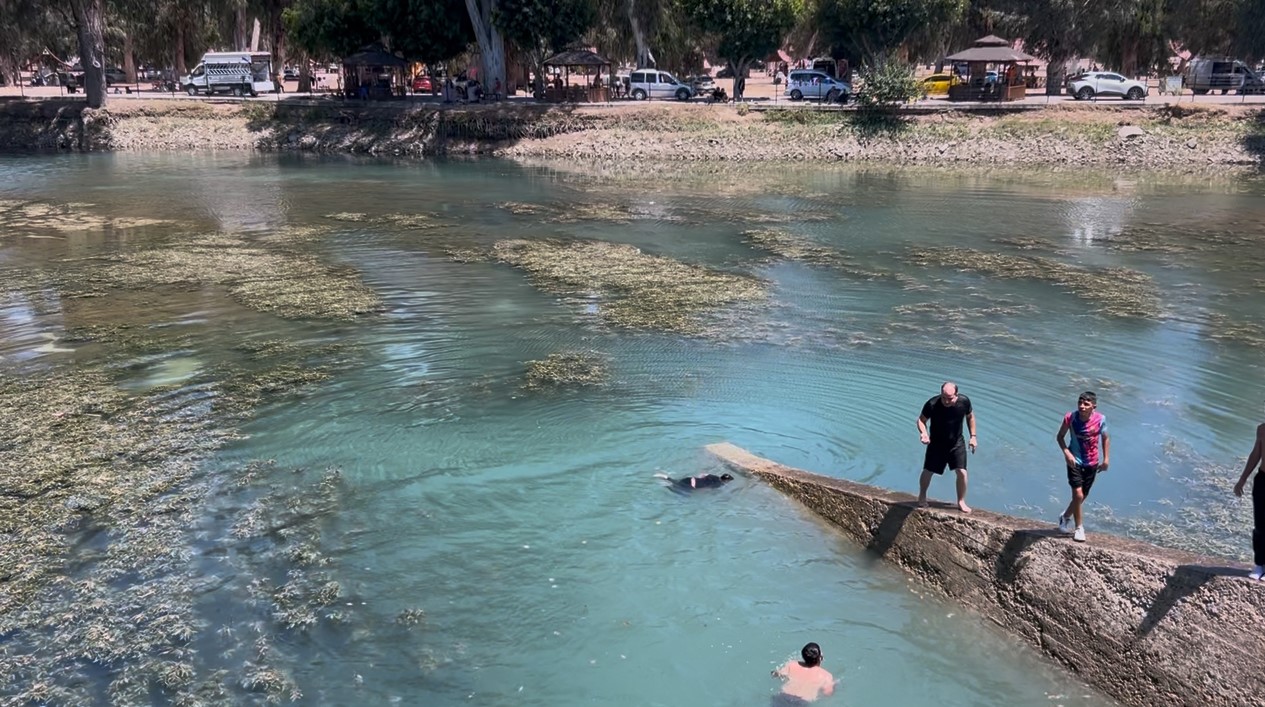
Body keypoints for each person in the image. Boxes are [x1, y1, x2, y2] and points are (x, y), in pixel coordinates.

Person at [1055, 391, 1110, 543]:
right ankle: (1079, 528)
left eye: (1086, 404)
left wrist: (1106, 460)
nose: (1082, 406)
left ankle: (1065, 516)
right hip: (1074, 461)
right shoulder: (1070, 418)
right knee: (1078, 496)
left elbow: (1105, 438)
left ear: (1094, 406)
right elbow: (1060, 437)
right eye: (1080, 403)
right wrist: (1067, 453)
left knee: (1082, 496)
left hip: (1092, 462)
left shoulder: (1100, 419)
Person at [917, 381, 977, 513]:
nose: (946, 401)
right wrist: (924, 433)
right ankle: (922, 496)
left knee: (961, 472)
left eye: (950, 398)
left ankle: (961, 501)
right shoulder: (932, 404)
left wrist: (973, 436)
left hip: (956, 442)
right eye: (944, 398)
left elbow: (970, 417)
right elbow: (921, 420)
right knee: (928, 471)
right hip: (937, 443)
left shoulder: (964, 402)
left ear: (956, 395)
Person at [1233, 416, 1265, 580]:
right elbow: (1255, 455)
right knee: (1260, 525)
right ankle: (1259, 564)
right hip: (1262, 480)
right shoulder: (1262, 429)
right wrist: (1242, 479)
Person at [654, 472, 733, 490]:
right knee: (685, 496)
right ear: (726, 481)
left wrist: (700, 479)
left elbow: (703, 474)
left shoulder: (715, 476)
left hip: (690, 479)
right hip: (691, 486)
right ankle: (666, 485)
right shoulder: (719, 484)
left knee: (676, 482)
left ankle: (665, 477)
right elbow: (707, 489)